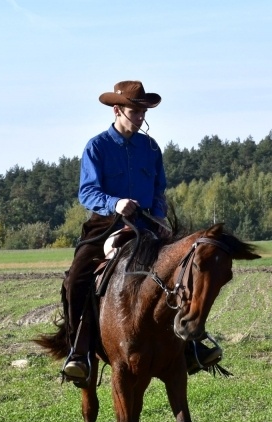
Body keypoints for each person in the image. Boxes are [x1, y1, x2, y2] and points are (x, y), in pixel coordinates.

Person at [62, 80, 221, 383]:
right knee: (75, 279)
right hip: (106, 224)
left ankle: (190, 346)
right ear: (117, 110)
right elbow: (87, 192)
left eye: (143, 111)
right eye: (134, 111)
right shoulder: (97, 147)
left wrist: (160, 217)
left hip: (149, 226)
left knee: (183, 272)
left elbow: (159, 191)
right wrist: (115, 202)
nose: (140, 117)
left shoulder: (150, 148)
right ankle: (78, 351)